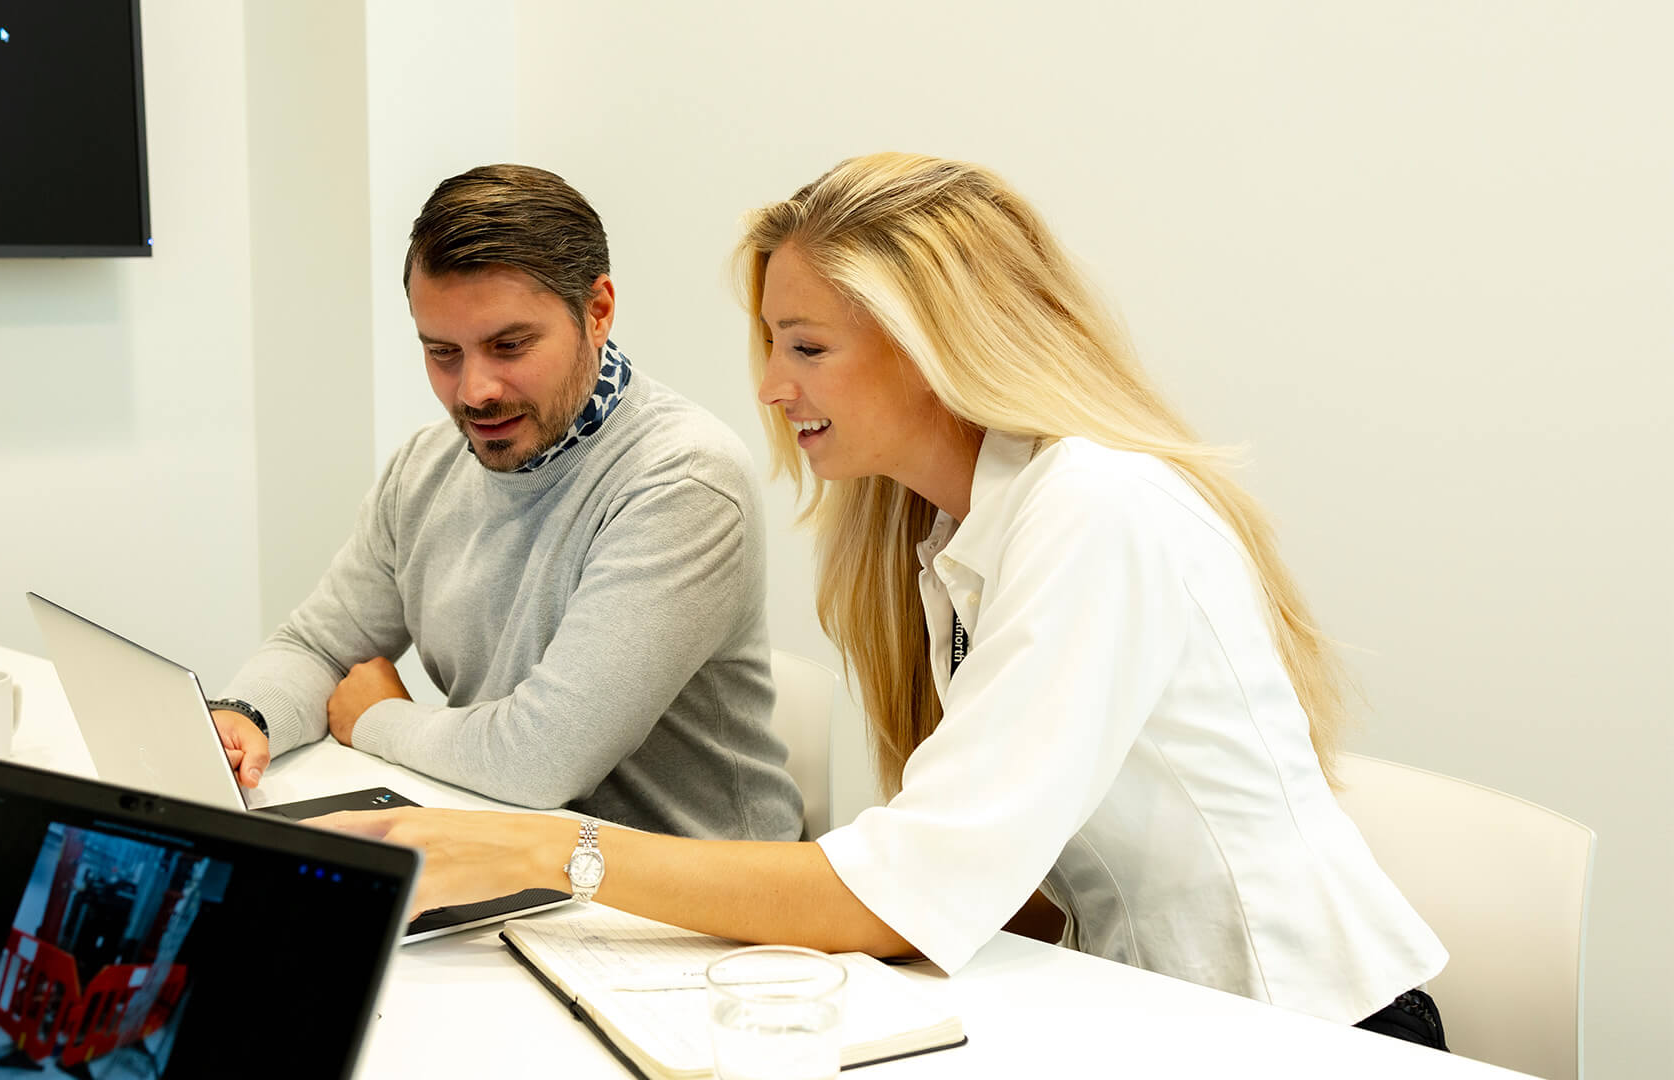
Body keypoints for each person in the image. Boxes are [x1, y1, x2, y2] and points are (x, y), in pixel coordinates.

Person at [316, 153, 1453, 1048]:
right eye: (771, 342)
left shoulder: (1096, 509)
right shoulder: (946, 532)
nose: (770, 386)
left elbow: (905, 892)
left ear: (935, 344)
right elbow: (964, 876)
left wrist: (545, 852)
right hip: (1139, 1008)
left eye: (806, 345)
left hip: (1300, 1033)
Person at [211, 164, 802, 842]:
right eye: (443, 353)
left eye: (509, 346)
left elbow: (541, 758)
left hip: (689, 910)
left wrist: (375, 718)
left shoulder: (683, 479)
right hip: (508, 852)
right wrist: (243, 719)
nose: (475, 391)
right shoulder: (425, 469)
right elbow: (317, 648)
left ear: (598, 309)